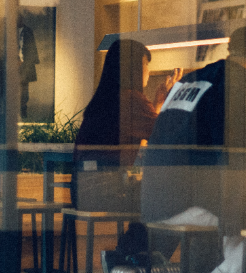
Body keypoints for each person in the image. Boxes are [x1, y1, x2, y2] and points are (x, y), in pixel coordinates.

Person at [140, 24, 246, 273]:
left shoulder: (192, 79)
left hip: (154, 201)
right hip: (189, 203)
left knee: (243, 215)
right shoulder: (243, 87)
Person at [73, 39, 180, 212]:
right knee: (172, 196)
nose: (148, 71)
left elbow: (150, 130)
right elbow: (166, 134)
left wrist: (158, 104)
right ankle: (144, 238)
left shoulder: (105, 98)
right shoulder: (131, 99)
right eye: (145, 64)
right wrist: (173, 100)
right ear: (134, 68)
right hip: (104, 192)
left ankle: (136, 237)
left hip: (82, 192)